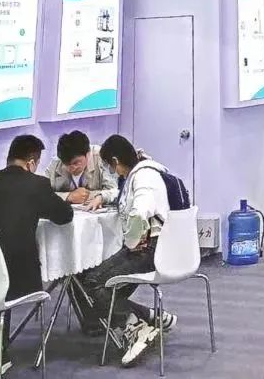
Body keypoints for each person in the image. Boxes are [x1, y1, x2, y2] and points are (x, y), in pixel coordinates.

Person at [0, 135, 73, 377]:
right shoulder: (37, 184)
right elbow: (64, 216)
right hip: (20, 276)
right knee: (9, 259)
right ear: (32, 162)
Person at [77, 135, 176, 367]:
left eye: (111, 168)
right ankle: (147, 316)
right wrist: (102, 196)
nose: (114, 173)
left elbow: (139, 212)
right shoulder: (145, 172)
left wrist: (131, 243)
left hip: (150, 249)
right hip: (160, 246)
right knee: (96, 284)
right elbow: (122, 194)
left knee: (92, 283)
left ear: (115, 161)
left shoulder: (143, 177)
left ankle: (135, 326)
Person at [45, 130, 118, 210]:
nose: (72, 168)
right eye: (67, 164)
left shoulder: (101, 157)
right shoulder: (56, 162)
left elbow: (115, 190)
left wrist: (101, 197)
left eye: (76, 163)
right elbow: (42, 192)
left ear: (88, 154)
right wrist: (68, 196)